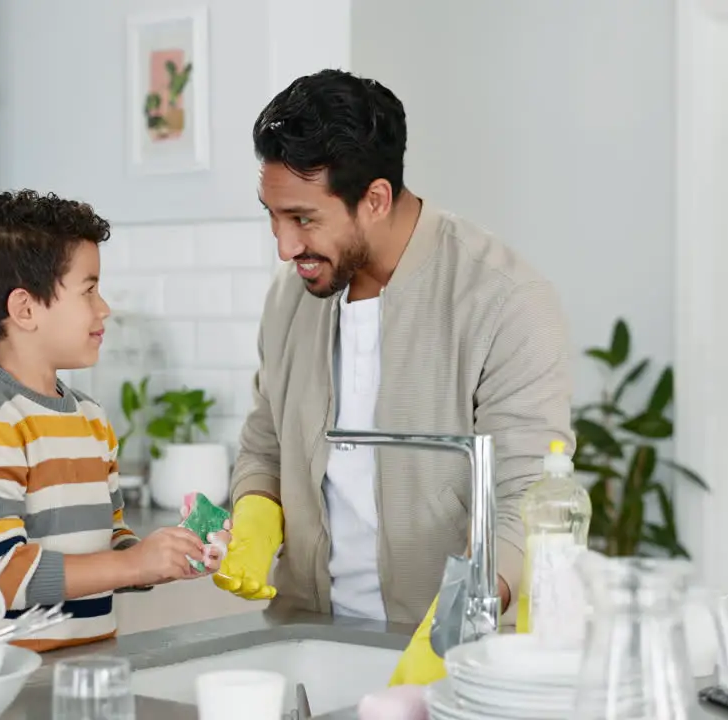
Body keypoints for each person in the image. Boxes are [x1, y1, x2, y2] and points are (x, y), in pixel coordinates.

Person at [212, 70, 574, 685]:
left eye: (303, 218)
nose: (283, 245)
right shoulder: (291, 299)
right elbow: (265, 442)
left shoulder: (505, 300)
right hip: (309, 642)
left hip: (453, 659)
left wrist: (451, 627)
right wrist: (254, 509)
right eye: (272, 217)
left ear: (375, 199)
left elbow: (525, 499)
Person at [0, 190, 230, 652]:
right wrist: (135, 567)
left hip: (87, 663)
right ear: (25, 310)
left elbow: (106, 547)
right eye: (88, 290)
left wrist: (166, 555)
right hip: (2, 681)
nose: (103, 307)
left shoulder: (90, 419)